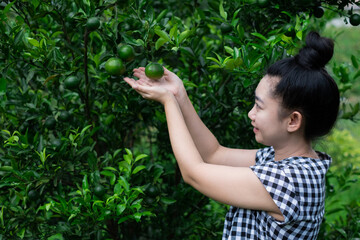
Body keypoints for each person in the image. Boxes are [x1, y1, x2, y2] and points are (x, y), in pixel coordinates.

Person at [124, 31, 340, 239]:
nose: (251, 114)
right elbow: (214, 154)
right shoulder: (281, 160)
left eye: (259, 106)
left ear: (293, 121)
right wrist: (179, 95)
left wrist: (168, 102)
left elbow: (193, 174)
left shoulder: (291, 181)